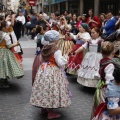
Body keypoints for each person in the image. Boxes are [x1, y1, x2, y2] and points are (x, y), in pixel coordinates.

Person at [30, 30, 71, 119]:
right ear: (56, 39)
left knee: (44, 88)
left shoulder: (45, 47)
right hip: (52, 71)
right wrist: (66, 55)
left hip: (43, 70)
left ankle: (44, 108)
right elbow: (60, 62)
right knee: (52, 89)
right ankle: (50, 112)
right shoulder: (56, 49)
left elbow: (41, 58)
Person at [91, 41, 115, 119]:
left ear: (101, 52)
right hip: (105, 89)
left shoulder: (102, 61)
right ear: (113, 52)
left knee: (98, 104)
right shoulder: (110, 64)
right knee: (104, 106)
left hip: (100, 87)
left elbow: (98, 74)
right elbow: (109, 80)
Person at [0, 20, 24, 88]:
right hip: (4, 52)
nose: (8, 27)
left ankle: (3, 81)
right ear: (3, 27)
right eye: (7, 26)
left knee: (1, 67)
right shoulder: (6, 35)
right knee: (5, 67)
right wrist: (16, 44)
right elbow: (9, 46)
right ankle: (3, 82)